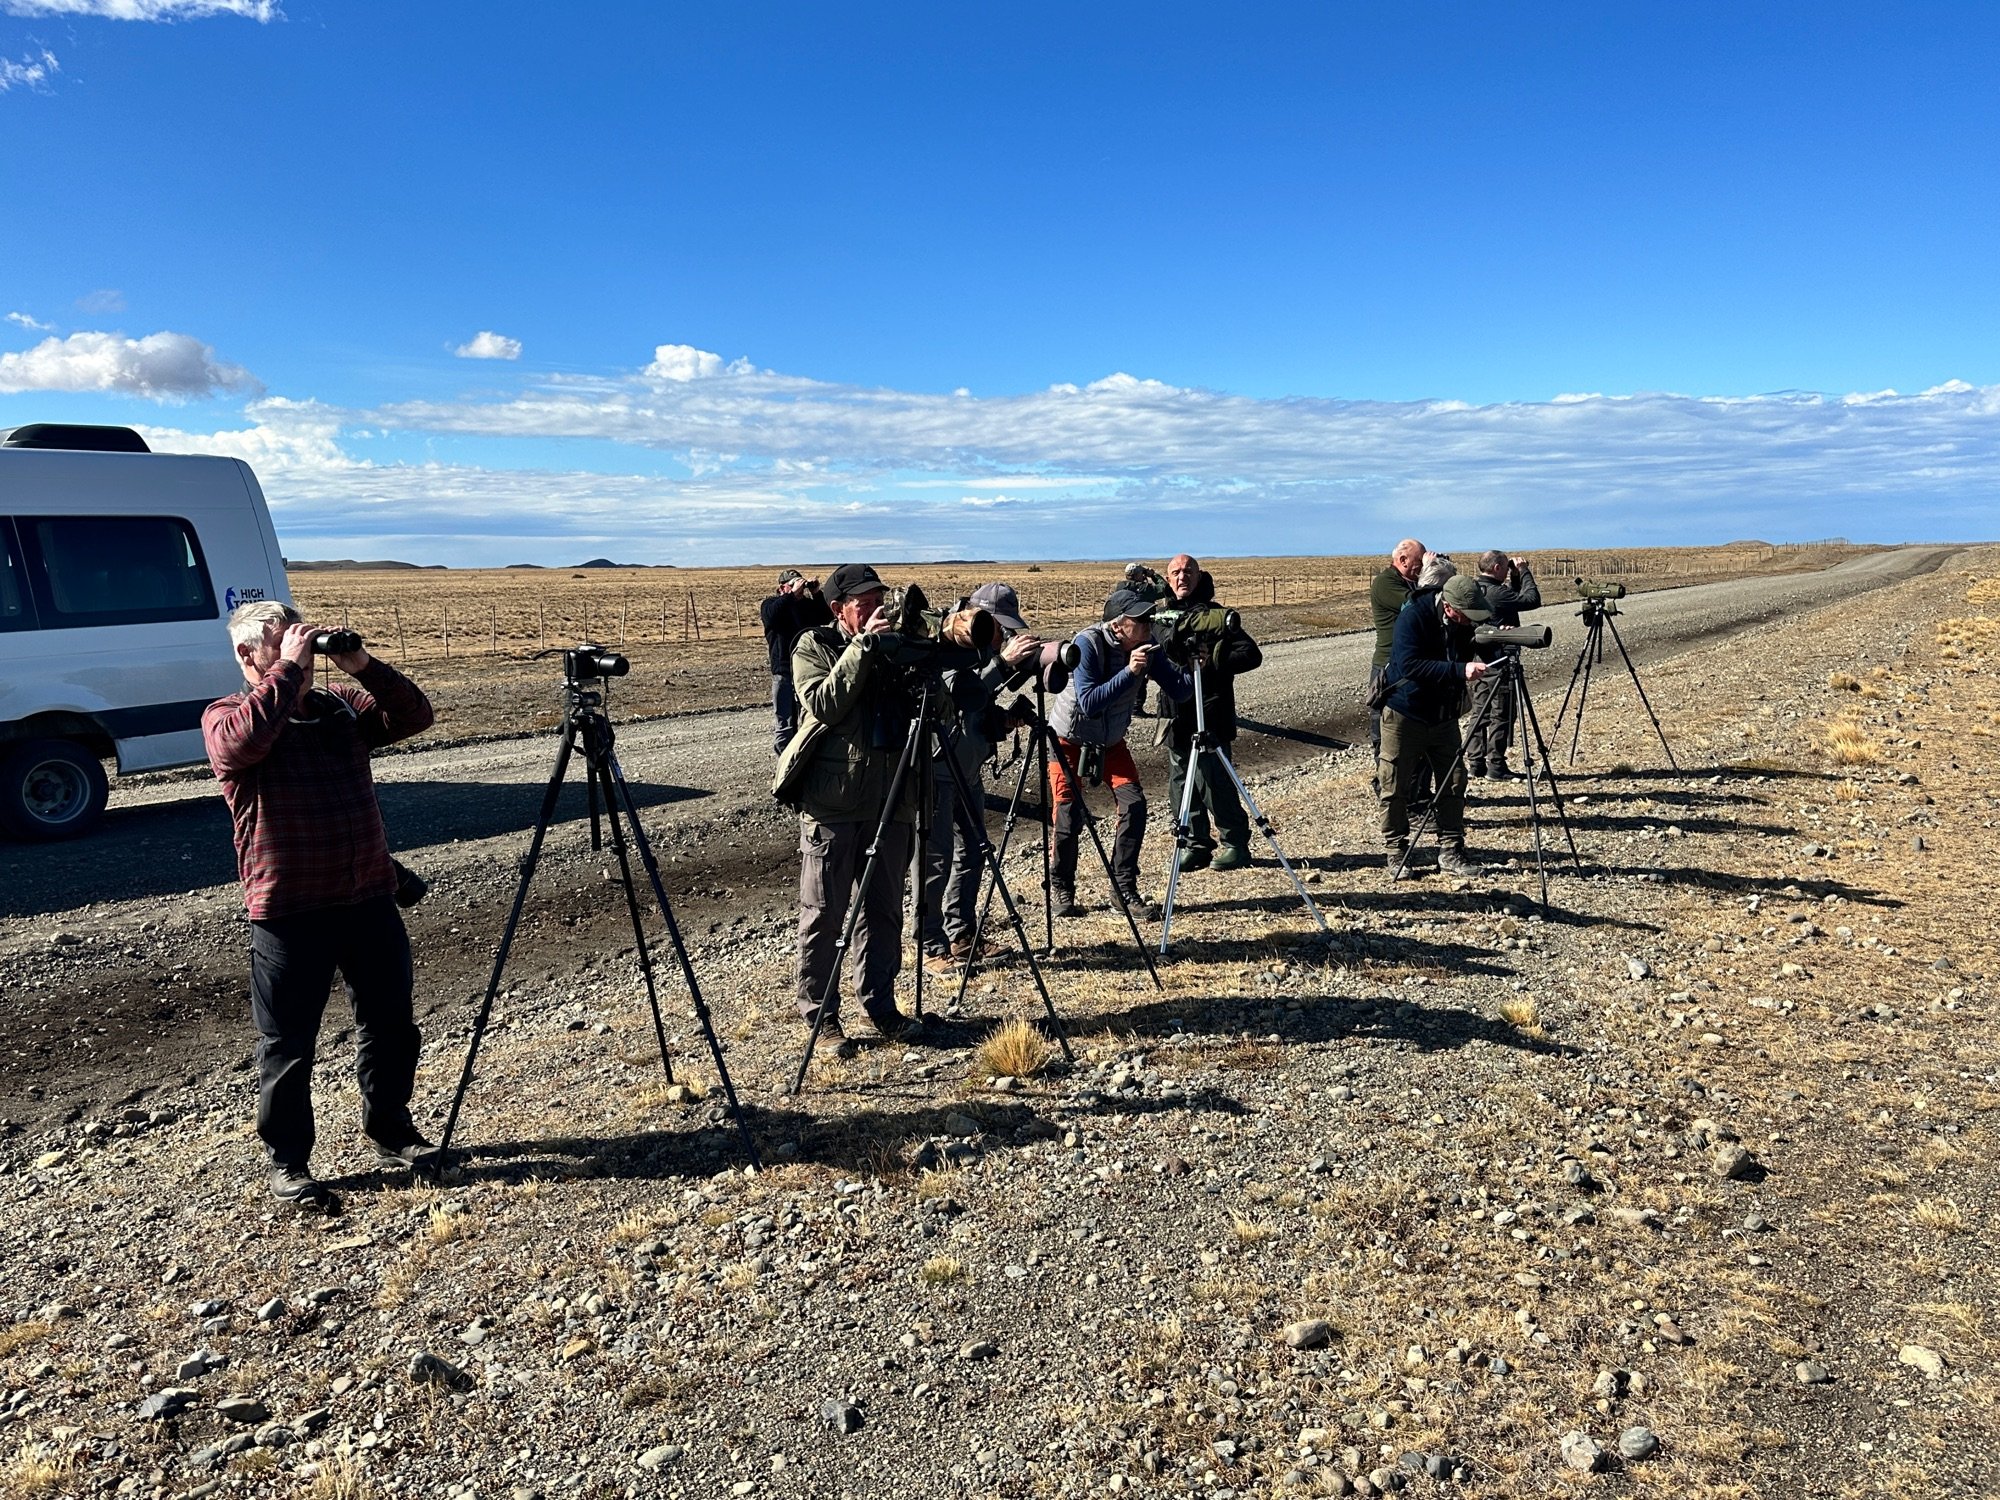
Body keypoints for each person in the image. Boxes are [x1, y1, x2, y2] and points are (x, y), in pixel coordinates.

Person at [202, 601, 438, 1214]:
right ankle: (289, 1164)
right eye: (280, 646)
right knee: (288, 1044)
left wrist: (358, 663)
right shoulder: (226, 716)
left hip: (367, 896)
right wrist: (286, 672)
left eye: (301, 643)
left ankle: (391, 1129)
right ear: (245, 655)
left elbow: (416, 716)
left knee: (389, 1026)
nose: (300, 657)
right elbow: (244, 745)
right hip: (289, 908)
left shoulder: (341, 708)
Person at [785, 563, 924, 1055]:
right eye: (862, 603)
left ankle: (881, 1005)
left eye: (876, 600)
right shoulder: (813, 647)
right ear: (838, 609)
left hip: (891, 801)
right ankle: (820, 1016)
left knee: (884, 911)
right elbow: (824, 703)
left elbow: (941, 710)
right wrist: (863, 649)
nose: (872, 610)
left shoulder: (892, 645)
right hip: (833, 804)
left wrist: (924, 657)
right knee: (824, 913)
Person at [1046, 585, 1194, 919]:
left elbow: (1180, 691)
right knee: (1068, 815)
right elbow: (1089, 702)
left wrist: (1196, 661)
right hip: (1068, 740)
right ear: (1117, 624)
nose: (1148, 624)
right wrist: (1130, 672)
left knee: (1134, 805)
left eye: (1149, 618)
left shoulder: (1147, 649)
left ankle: (1123, 889)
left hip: (1110, 743)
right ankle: (1063, 891)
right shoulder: (1088, 644)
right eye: (1140, 619)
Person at [916, 582, 1041, 974]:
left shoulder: (988, 646)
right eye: (998, 625)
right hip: (936, 769)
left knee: (972, 851)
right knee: (935, 860)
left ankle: (962, 933)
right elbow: (955, 694)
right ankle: (930, 945)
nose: (1003, 633)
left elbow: (976, 712)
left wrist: (1003, 720)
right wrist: (1002, 663)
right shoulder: (949, 640)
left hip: (966, 768)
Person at [1379, 573, 1492, 878]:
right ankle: (1396, 852)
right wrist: (1459, 670)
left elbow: (1476, 648)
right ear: (1450, 608)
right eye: (1469, 617)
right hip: (1405, 713)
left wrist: (1497, 641)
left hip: (1443, 716)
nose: (1472, 622)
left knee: (1454, 781)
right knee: (1395, 785)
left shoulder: (1462, 623)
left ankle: (1452, 850)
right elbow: (1409, 665)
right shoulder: (1413, 616)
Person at [1160, 557, 1263, 872]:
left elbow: (1251, 654)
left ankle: (1235, 844)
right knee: (1181, 782)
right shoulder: (1162, 615)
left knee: (1214, 779)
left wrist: (1214, 660)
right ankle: (1196, 844)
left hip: (1211, 711)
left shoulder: (1216, 616)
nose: (1182, 578)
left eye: (1188, 572)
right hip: (1175, 712)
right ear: (1168, 578)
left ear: (1199, 576)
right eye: (1176, 573)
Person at [1466, 550, 1541, 779]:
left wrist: (1515, 578)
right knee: (1502, 714)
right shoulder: (1497, 593)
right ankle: (1496, 766)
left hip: (1479, 660)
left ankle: (1475, 763)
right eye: (1505, 567)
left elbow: (1514, 600)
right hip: (1499, 663)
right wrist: (1524, 571)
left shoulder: (1475, 589)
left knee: (1479, 713)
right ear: (1498, 567)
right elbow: (1531, 600)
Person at [760, 569, 832, 755]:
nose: (797, 589)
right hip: (783, 671)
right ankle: (784, 764)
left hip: (807, 671)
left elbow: (826, 616)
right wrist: (791, 596)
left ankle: (804, 761)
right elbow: (772, 616)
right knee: (785, 723)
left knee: (810, 718)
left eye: (798, 584)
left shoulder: (805, 606)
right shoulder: (771, 604)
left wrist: (816, 593)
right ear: (781, 588)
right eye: (791, 585)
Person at [1368, 539, 1426, 768]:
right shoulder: (1385, 583)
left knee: (1416, 730)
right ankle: (1386, 789)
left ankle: (1415, 791)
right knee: (1385, 731)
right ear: (1402, 560)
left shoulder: (1411, 581)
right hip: (1388, 667)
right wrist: (1430, 576)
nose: (1422, 566)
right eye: (1419, 561)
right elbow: (1416, 606)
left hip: (1412, 664)